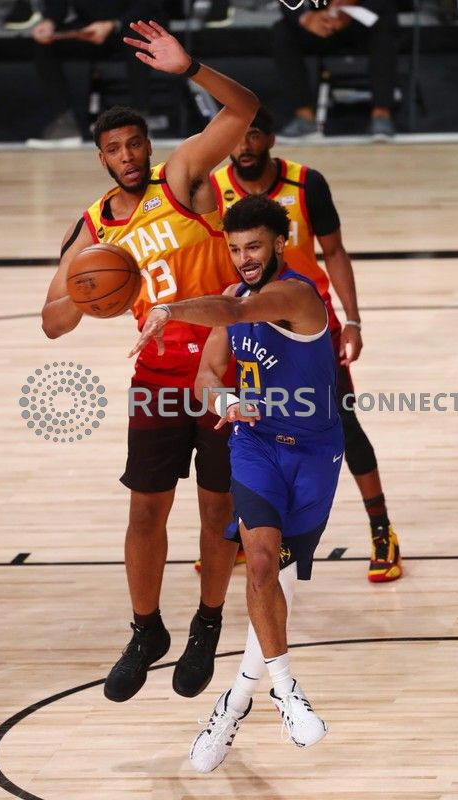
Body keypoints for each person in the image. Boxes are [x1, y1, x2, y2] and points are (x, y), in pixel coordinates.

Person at [41, 20, 259, 703]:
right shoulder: (94, 228)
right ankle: (146, 630)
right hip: (157, 378)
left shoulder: (182, 178)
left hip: (224, 372)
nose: (128, 156)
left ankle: (207, 622)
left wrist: (190, 67)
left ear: (148, 145)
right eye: (115, 149)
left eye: (135, 143)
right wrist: (87, 293)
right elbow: (51, 321)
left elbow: (244, 110)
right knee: (145, 513)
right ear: (101, 158)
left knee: (216, 511)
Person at [131, 194, 343, 769]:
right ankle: (287, 691)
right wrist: (224, 400)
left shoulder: (297, 295)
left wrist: (169, 308)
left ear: (280, 244)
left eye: (254, 247)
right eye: (235, 248)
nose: (244, 258)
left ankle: (231, 706)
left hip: (315, 455)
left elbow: (235, 312)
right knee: (262, 564)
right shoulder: (233, 296)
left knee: (279, 587)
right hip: (255, 446)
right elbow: (206, 373)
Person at [210, 106, 402, 583]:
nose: (244, 146)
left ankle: (381, 529)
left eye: (254, 135)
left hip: (308, 325)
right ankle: (255, 527)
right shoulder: (214, 187)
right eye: (237, 137)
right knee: (239, 420)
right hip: (247, 320)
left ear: (271, 138)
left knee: (344, 423)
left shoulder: (306, 183)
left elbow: (333, 251)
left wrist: (352, 319)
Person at [29, 1, 169, 144]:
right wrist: (50, 21)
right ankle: (65, 122)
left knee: (137, 40)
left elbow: (147, 5)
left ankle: (140, 121)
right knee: (44, 43)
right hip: (89, 26)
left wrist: (112, 24)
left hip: (131, 23)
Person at [273, 0, 398, 138]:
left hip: (361, 18)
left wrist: (348, 10)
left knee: (383, 24)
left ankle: (381, 114)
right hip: (318, 20)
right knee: (282, 30)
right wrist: (306, 17)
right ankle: (304, 118)